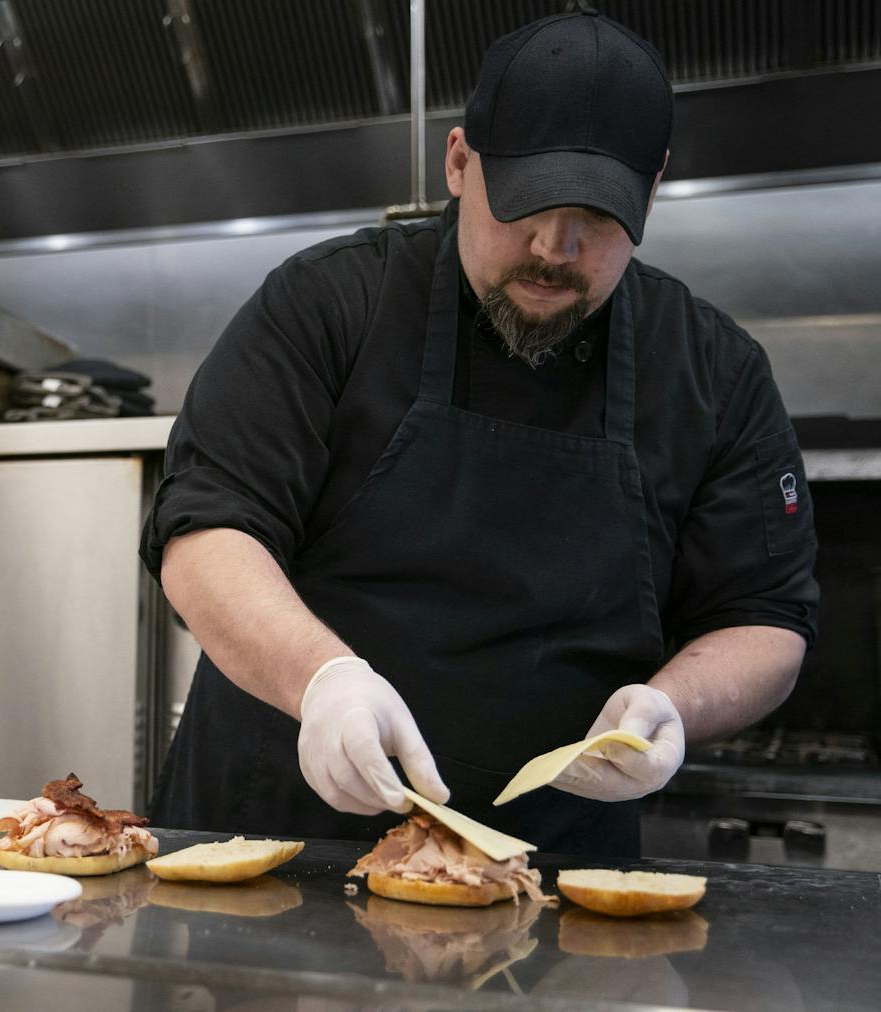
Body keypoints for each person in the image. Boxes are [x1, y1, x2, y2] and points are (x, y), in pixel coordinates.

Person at [139, 9, 819, 856]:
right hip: (277, 853)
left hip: (554, 882)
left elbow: (765, 619)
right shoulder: (327, 305)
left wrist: (675, 705)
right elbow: (206, 530)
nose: (553, 246)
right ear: (460, 163)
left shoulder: (714, 371)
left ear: (651, 192)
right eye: (525, 203)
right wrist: (323, 680)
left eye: (598, 219)